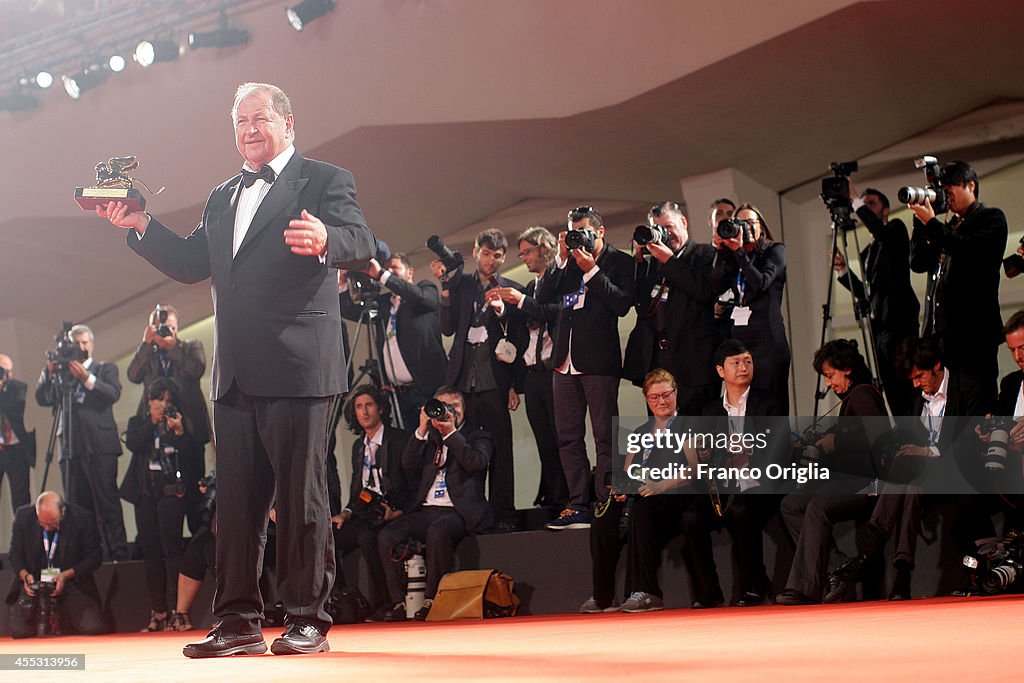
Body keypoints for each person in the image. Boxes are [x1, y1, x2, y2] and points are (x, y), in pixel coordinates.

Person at [96, 82, 375, 657]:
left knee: (302, 499)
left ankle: (306, 619)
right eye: (240, 121)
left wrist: (327, 238)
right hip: (236, 374)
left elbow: (361, 239)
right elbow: (193, 261)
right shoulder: (224, 194)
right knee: (237, 505)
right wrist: (141, 226)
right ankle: (238, 621)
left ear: (288, 123)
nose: (249, 129)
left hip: (300, 367)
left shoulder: (325, 179)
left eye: (260, 118)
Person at [777, 340, 917, 605]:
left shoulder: (863, 394)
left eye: (830, 376)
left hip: (868, 484)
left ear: (848, 368)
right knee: (791, 504)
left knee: (817, 506)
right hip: (849, 480)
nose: (828, 384)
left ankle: (804, 588)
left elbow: (879, 439)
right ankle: (838, 568)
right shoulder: (853, 398)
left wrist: (836, 442)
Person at [538, 206, 635, 529]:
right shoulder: (566, 263)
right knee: (567, 438)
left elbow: (622, 304)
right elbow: (543, 297)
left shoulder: (621, 261)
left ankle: (606, 500)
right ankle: (577, 503)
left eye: (584, 231)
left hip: (597, 361)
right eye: (573, 231)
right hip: (563, 362)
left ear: (600, 232)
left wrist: (591, 271)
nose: (579, 237)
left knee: (605, 435)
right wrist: (561, 258)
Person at [435, 229, 526, 531]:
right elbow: (447, 329)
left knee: (500, 449)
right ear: (475, 252)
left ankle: (504, 515)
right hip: (462, 381)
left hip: (495, 379)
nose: (491, 260)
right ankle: (472, 514)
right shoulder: (461, 285)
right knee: (465, 449)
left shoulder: (512, 289)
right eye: (485, 253)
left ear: (504, 257)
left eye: (497, 255)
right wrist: (445, 290)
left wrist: (515, 384)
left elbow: (520, 341)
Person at [375, 386, 493, 621]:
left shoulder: (477, 436)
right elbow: (407, 463)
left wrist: (451, 433)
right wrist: (421, 429)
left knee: (437, 531)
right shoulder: (430, 437)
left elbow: (476, 463)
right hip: (426, 509)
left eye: (455, 406)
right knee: (388, 535)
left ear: (463, 409)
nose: (449, 412)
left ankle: (431, 600)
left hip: (458, 511)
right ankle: (399, 602)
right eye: (443, 406)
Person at [680, 340, 782, 608]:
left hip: (759, 482)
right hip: (723, 484)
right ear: (720, 370)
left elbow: (778, 448)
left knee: (741, 512)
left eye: (747, 361)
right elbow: (708, 458)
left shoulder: (769, 403)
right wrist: (709, 455)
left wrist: (751, 449)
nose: (743, 367)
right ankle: (708, 592)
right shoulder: (711, 411)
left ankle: (754, 585)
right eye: (735, 363)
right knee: (691, 517)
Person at [582, 369, 691, 614]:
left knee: (643, 507)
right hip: (642, 494)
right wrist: (622, 488)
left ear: (675, 394)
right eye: (654, 397)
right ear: (647, 399)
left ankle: (646, 591)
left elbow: (693, 471)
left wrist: (660, 485)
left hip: (672, 496)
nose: (661, 401)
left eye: (666, 395)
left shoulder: (687, 427)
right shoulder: (640, 432)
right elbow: (628, 471)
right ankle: (603, 596)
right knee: (602, 519)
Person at [909, 160, 1007, 416]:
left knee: (975, 412)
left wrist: (931, 223)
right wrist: (920, 220)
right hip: (943, 342)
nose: (946, 195)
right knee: (950, 415)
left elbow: (966, 251)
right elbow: (918, 263)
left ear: (971, 185)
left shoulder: (991, 219)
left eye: (950, 187)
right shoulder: (949, 227)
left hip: (974, 339)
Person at [489, 226, 568, 509]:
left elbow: (553, 312)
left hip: (554, 371)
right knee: (544, 443)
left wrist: (521, 301)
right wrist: (502, 308)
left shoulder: (559, 279)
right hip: (532, 376)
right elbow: (524, 327)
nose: (523, 258)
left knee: (562, 441)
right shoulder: (533, 286)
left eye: (527, 252)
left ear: (544, 247)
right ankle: (556, 500)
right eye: (520, 254)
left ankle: (572, 499)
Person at [35, 324, 127, 561]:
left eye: (85, 342)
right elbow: (43, 398)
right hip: (70, 448)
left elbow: (112, 393)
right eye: (77, 343)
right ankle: (87, 556)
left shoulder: (105, 368)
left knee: (107, 502)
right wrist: (49, 370)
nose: (82, 347)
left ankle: (118, 554)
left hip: (100, 447)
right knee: (77, 508)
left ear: (92, 344)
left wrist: (86, 378)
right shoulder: (61, 375)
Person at [121, 378, 205, 632]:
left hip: (172, 494)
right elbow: (134, 444)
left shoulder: (182, 425)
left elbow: (193, 463)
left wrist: (178, 432)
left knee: (173, 549)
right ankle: (157, 611)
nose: (163, 404)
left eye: (168, 400)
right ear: (149, 400)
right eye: (159, 399)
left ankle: (178, 611)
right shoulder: (139, 423)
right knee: (151, 551)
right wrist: (152, 421)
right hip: (145, 494)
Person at [624, 201, 720, 414]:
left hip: (693, 363)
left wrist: (669, 261)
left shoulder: (705, 255)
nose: (665, 234)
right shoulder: (654, 264)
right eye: (658, 229)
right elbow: (639, 305)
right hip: (658, 360)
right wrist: (639, 260)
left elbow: (704, 292)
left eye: (668, 227)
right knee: (662, 435)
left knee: (698, 435)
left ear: (684, 222)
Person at [833, 183, 919, 415]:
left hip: (898, 325)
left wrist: (855, 200)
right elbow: (870, 294)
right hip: (879, 330)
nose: (867, 208)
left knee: (907, 387)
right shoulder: (868, 252)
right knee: (890, 390)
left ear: (886, 209)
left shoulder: (895, 230)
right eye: (865, 204)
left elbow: (882, 235)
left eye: (872, 203)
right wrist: (843, 272)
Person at [340, 253, 447, 430]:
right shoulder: (384, 304)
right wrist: (343, 283)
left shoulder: (425, 290)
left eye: (394, 269)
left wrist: (382, 274)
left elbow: (423, 298)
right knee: (413, 448)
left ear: (410, 272)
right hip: (399, 396)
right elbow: (353, 312)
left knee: (436, 444)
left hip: (426, 390)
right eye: (387, 269)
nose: (389, 272)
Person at [334, 384, 413, 617]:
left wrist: (399, 512)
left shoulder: (398, 439)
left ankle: (386, 603)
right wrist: (346, 512)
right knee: (329, 536)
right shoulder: (360, 446)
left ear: (380, 408)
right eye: (359, 407)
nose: (364, 411)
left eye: (369, 405)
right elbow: (357, 489)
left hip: (395, 511)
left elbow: (413, 485)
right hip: (366, 513)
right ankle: (341, 602)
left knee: (369, 537)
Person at [711, 203, 790, 414]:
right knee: (744, 405)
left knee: (771, 406)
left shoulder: (775, 250)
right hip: (740, 340)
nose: (745, 228)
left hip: (767, 341)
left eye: (750, 223)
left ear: (761, 227)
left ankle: (775, 447)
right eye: (740, 223)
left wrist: (739, 252)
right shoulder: (734, 256)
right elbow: (716, 286)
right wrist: (721, 252)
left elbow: (760, 283)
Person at [5, 491, 105, 638]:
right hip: (34, 583)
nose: (46, 528)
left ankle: (65, 619)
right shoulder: (23, 516)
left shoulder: (82, 518)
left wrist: (67, 575)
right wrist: (24, 575)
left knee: (93, 627)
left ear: (63, 511)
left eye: (52, 524)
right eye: (42, 523)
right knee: (19, 631)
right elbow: (15, 553)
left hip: (71, 582)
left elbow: (95, 557)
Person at [126, 304, 211, 447]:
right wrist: (146, 344)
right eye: (161, 327)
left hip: (189, 422)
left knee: (192, 467)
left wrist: (172, 348)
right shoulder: (148, 352)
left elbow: (196, 370)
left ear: (177, 327)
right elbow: (133, 376)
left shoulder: (191, 346)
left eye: (171, 327)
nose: (167, 330)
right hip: (154, 422)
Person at [0, 353, 32, 513]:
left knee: (21, 501)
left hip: (16, 450)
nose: (3, 374)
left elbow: (15, 411)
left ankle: (23, 536)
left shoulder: (18, 387)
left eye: (5, 370)